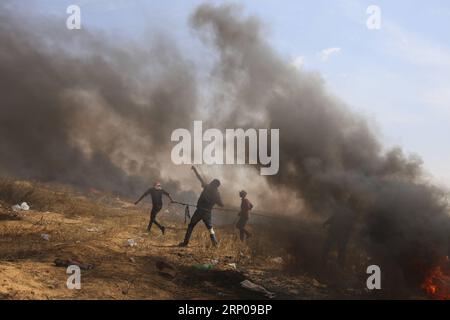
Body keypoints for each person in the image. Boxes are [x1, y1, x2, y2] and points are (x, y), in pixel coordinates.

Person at [179, 166, 224, 247]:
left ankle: (185, 243)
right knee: (210, 228)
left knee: (191, 226)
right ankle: (215, 244)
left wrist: (195, 170)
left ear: (213, 183)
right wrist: (216, 202)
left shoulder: (207, 187)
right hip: (207, 213)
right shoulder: (217, 194)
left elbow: (199, 177)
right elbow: (221, 204)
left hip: (199, 211)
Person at [321, 193, 356, 268]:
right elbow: (350, 227)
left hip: (334, 231)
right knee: (341, 250)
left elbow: (332, 218)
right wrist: (348, 237)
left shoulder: (341, 209)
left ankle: (322, 262)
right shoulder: (351, 214)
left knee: (327, 247)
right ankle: (340, 266)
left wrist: (325, 224)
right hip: (342, 234)